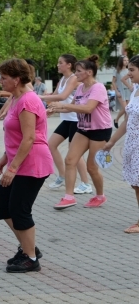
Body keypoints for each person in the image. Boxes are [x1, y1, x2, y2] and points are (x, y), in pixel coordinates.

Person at [0, 59, 53, 273]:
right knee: (1, 203)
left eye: (4, 78)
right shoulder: (17, 98)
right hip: (20, 160)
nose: (0, 81)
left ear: (16, 80)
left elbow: (29, 138)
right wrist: (4, 157)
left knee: (19, 209)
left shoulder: (28, 101)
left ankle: (31, 258)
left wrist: (12, 168)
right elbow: (16, 136)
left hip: (32, 163)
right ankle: (28, 246)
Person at [48, 55, 112, 210]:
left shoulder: (98, 88)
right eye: (75, 71)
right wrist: (54, 109)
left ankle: (100, 196)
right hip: (83, 128)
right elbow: (71, 106)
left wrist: (64, 106)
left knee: (91, 167)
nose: (75, 74)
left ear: (89, 72)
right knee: (70, 160)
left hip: (100, 130)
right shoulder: (80, 88)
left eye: (78, 71)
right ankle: (68, 197)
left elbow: (88, 108)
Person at [43, 55, 91, 194]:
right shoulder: (62, 79)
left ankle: (86, 183)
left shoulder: (74, 78)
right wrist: (50, 108)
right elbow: (54, 96)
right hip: (67, 119)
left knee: (74, 152)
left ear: (69, 65)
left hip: (76, 119)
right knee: (51, 145)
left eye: (60, 63)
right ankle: (63, 176)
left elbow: (62, 97)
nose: (57, 65)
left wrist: (39, 97)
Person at [104, 55, 139, 233]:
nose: (128, 73)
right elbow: (127, 120)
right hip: (133, 144)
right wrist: (111, 141)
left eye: (132, 70)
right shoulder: (135, 90)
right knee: (135, 184)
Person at [113, 55, 131, 129]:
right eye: (124, 60)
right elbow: (113, 82)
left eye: (127, 60)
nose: (126, 62)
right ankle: (116, 119)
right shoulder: (117, 71)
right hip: (121, 91)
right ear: (121, 61)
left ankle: (126, 124)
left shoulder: (129, 70)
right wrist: (116, 91)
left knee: (128, 109)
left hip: (129, 91)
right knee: (125, 108)